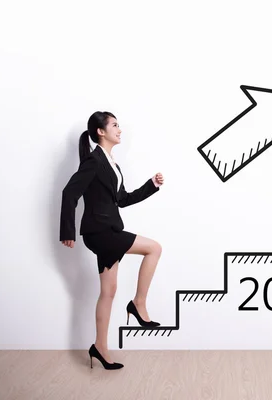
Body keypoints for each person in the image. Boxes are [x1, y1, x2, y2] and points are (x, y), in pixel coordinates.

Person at [59, 111, 164, 370]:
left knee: (108, 291)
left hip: (106, 230)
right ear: (100, 132)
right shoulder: (94, 160)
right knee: (154, 248)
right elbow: (69, 193)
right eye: (115, 125)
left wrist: (151, 185)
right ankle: (138, 304)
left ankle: (100, 348)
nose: (120, 129)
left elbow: (122, 200)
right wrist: (67, 233)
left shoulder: (112, 164)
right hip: (101, 232)